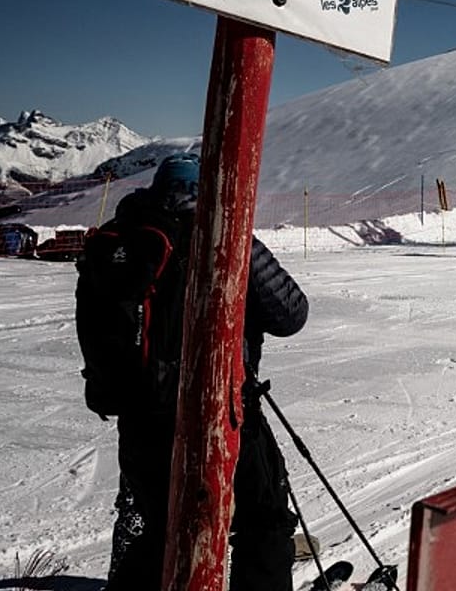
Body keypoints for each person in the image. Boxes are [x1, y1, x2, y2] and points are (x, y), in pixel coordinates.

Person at [79, 153, 309, 591]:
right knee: (264, 520)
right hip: (221, 410)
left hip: (140, 413)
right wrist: (242, 237)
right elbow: (290, 314)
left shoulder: (121, 236)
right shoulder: (221, 236)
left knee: (161, 525)